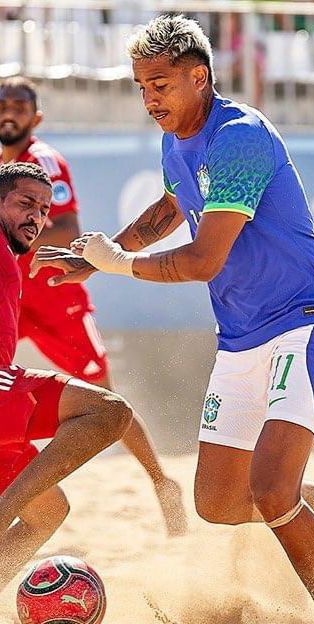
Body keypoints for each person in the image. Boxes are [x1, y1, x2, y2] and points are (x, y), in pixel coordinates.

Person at [33, 15, 314, 624]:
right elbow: (172, 205)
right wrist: (98, 261)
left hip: (303, 317)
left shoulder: (239, 138)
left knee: (274, 491)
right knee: (220, 503)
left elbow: (204, 261)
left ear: (198, 77)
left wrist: (121, 265)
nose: (150, 99)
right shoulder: (176, 137)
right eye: (142, 87)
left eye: (160, 85)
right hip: (242, 333)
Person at [0, 76, 187, 537]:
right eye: (3, 103)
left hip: (53, 294)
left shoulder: (39, 163)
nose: (10, 112)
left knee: (102, 395)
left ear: (36, 117)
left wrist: (21, 238)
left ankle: (163, 483)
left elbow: (67, 230)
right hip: (14, 294)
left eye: (20, 106)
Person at [0, 162, 135, 589]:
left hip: (8, 384)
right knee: (108, 411)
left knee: (49, 511)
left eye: (43, 209)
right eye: (25, 203)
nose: (38, 218)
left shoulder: (12, 257)